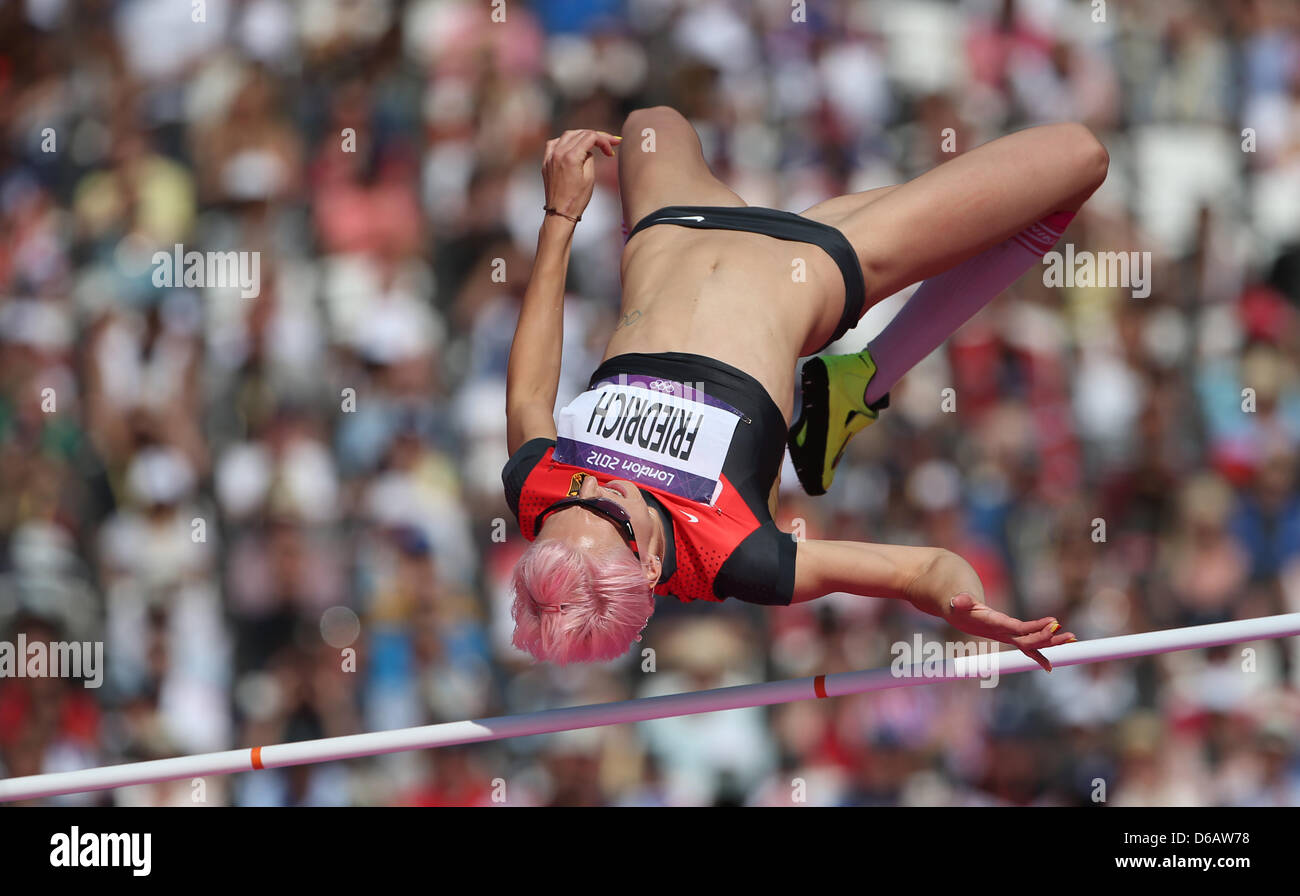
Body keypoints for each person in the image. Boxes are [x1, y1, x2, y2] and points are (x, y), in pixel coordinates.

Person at [503, 106, 1105, 666]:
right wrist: (963, 608)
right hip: (814, 264)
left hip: (677, 225)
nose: (603, 487)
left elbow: (531, 395)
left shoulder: (536, 489)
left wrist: (560, 217)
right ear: (651, 562)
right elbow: (922, 570)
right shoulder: (739, 557)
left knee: (649, 123)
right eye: (612, 514)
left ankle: (862, 349)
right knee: (1077, 159)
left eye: (576, 500)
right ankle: (861, 380)